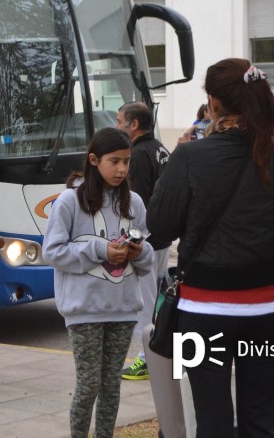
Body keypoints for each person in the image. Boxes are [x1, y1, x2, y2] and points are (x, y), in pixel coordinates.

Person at [148, 59, 274, 437]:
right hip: (267, 310)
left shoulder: (190, 155)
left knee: (212, 421)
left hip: (203, 312)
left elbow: (160, 225)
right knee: (260, 419)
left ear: (213, 103)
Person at [43, 127, 155, 438]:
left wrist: (138, 252)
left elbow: (148, 260)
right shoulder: (69, 201)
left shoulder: (134, 203)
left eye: (127, 162)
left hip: (123, 309)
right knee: (89, 384)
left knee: (111, 385)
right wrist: (99, 249)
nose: (122, 169)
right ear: (94, 160)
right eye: (114, 161)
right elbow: (52, 252)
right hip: (83, 310)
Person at [115, 101, 170, 381]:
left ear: (133, 124)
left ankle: (145, 358)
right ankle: (156, 353)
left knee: (146, 302)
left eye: (119, 120)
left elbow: (134, 202)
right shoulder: (160, 149)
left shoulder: (136, 155)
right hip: (163, 237)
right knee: (157, 299)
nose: (116, 125)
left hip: (147, 240)